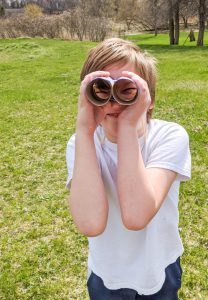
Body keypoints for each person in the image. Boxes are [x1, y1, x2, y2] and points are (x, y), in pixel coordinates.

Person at [65, 38, 191, 300]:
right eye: (101, 88)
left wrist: (127, 127)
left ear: (149, 99)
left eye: (127, 89)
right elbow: (90, 223)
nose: (113, 101)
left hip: (159, 266)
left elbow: (136, 215)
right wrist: (84, 131)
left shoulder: (169, 137)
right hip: (106, 273)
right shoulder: (82, 144)